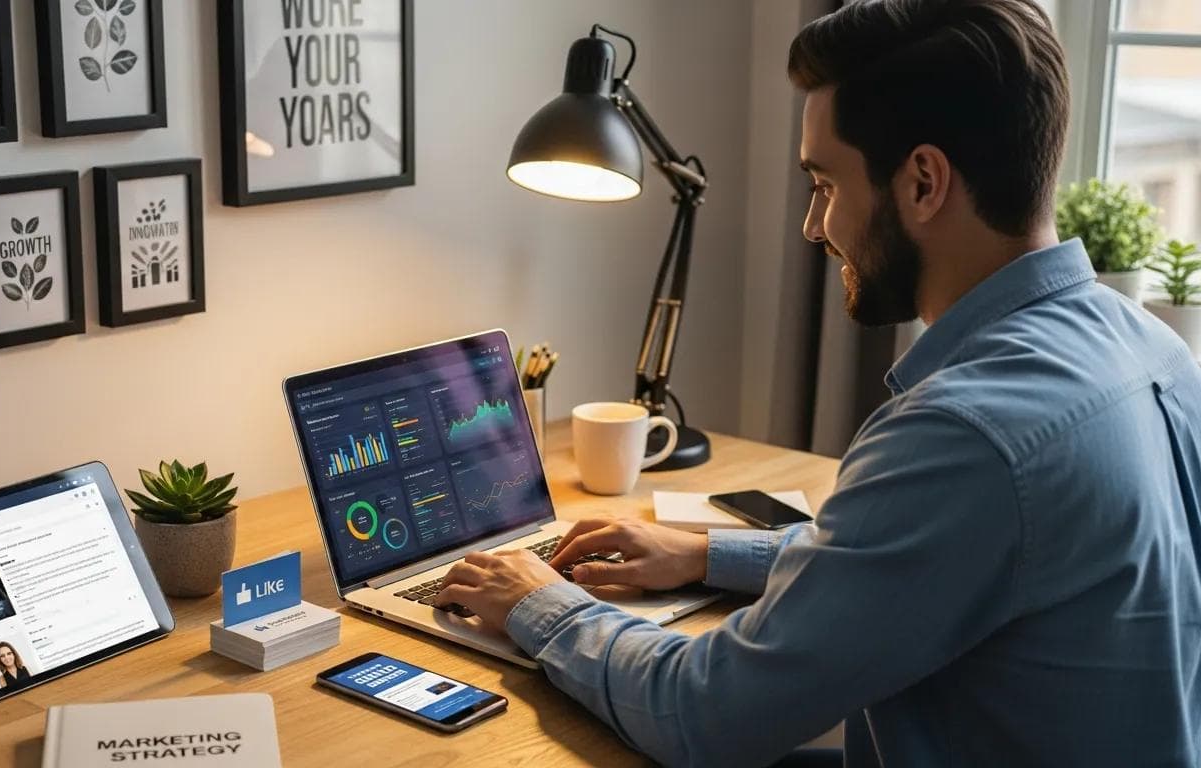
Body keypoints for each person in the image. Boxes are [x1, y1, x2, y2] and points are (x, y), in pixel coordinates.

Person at [437, 1, 1201, 765]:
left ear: (923, 183)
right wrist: (706, 554)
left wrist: (541, 604)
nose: (812, 227)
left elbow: (703, 712)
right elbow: (928, 555)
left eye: (825, 185)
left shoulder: (965, 433)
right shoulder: (1150, 348)